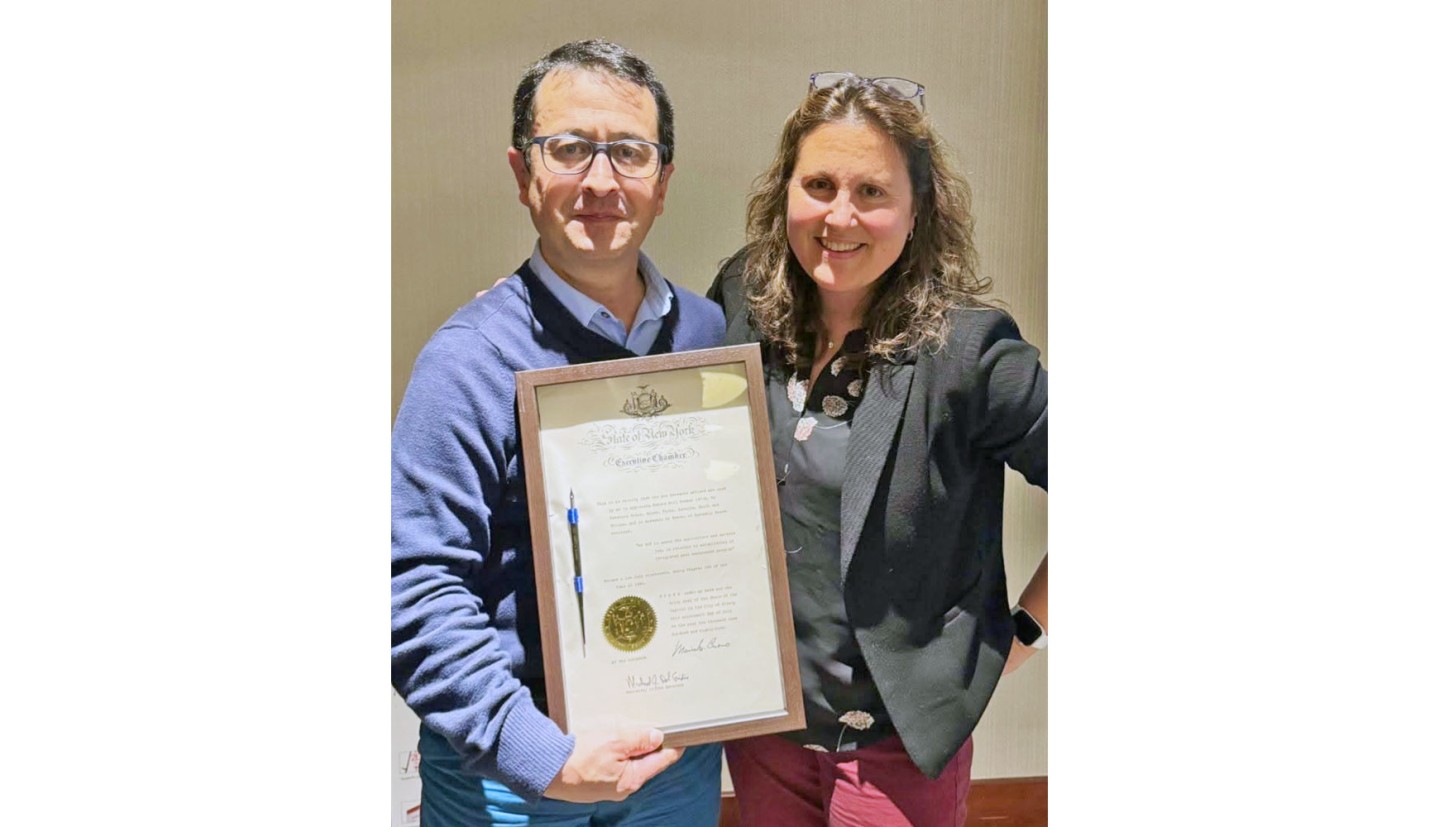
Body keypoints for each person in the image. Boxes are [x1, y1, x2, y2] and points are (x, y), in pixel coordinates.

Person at [391, 39, 725, 826]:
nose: (601, 180)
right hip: (517, 771)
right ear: (523, 174)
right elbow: (413, 585)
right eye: (570, 149)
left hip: (673, 754)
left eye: (629, 153)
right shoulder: (468, 360)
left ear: (664, 181)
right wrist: (541, 754)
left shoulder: (709, 334)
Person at [706, 72, 1049, 826]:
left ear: (918, 208)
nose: (840, 215)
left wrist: (1023, 630)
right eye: (820, 183)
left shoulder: (970, 350)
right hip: (766, 726)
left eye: (871, 192)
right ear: (784, 191)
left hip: (896, 743)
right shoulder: (740, 295)